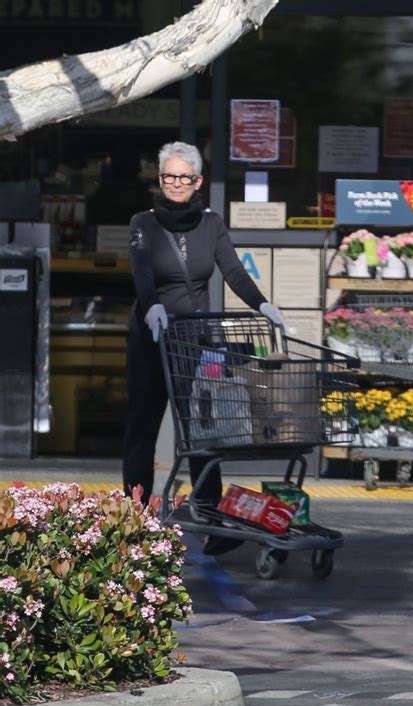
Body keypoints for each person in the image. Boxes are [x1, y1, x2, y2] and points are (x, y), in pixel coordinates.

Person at [122, 141, 286, 552]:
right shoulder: (143, 222)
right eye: (168, 176)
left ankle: (213, 519)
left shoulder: (211, 224)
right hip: (151, 337)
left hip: (192, 340)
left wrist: (262, 303)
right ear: (160, 179)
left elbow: (232, 268)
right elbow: (142, 272)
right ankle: (133, 518)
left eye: (184, 177)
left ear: (197, 181)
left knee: (198, 429)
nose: (176, 183)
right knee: (143, 426)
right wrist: (152, 306)